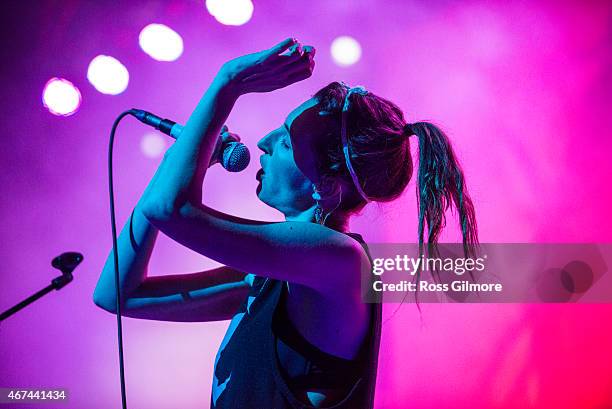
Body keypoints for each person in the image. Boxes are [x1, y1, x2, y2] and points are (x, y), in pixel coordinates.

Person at [93, 38, 478, 409]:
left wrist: (229, 82)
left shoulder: (339, 259)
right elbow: (117, 294)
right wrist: (174, 162)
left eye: (287, 142)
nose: (263, 141)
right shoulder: (265, 281)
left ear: (325, 187)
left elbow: (169, 209)